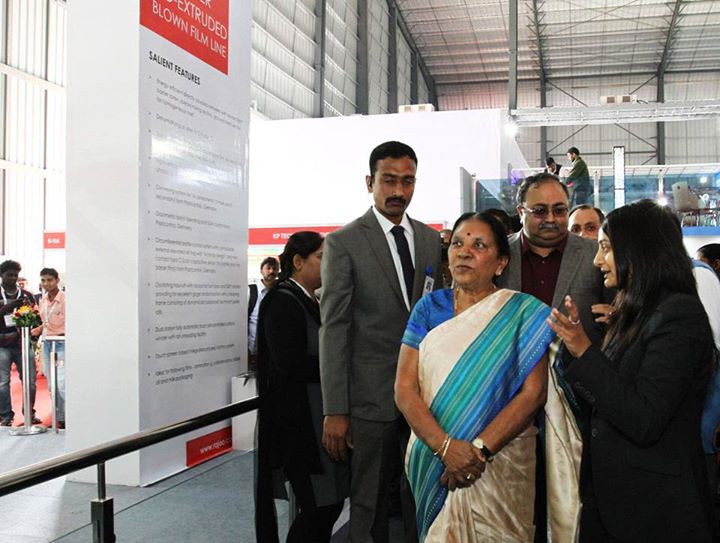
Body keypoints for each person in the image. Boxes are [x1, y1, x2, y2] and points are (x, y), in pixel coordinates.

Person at [549, 199, 716, 542]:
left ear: (638, 252)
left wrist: (584, 350)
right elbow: (604, 402)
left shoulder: (679, 316)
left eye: (607, 249)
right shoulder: (635, 313)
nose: (598, 262)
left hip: (656, 511)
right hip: (616, 505)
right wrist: (576, 351)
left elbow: (643, 418)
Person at [395, 211, 555, 541]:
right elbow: (404, 388)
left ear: (501, 263)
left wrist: (477, 451)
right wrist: (445, 448)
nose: (464, 252)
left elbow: (534, 394)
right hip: (434, 456)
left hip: (501, 464)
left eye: (478, 245)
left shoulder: (524, 313)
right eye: (457, 243)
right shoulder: (428, 308)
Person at [320, 141, 442, 543]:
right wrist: (335, 408)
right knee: (368, 503)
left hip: (424, 397)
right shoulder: (345, 242)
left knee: (420, 496)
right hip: (370, 401)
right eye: (389, 180)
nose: (398, 191)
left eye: (407, 182)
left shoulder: (429, 240)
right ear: (370, 182)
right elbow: (334, 328)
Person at [255, 232, 348, 543]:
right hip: (300, 425)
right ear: (298, 261)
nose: (328, 265)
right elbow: (290, 364)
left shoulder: (309, 299)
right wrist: (337, 365)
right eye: (321, 257)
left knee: (328, 506)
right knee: (320, 506)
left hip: (316, 417)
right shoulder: (282, 300)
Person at [0, 260, 39, 426]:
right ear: (2, 275)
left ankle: (29, 413)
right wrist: (6, 309)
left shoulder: (26, 295)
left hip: (22, 343)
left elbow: (36, 317)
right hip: (2, 345)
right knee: (3, 382)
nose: (13, 278)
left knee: (30, 380)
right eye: (9, 275)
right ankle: (6, 416)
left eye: (15, 275)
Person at [31, 268, 66, 429]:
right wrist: (37, 330)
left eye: (50, 280)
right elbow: (45, 322)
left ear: (57, 280)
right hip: (46, 344)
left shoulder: (65, 299)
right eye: (43, 280)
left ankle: (72, 415)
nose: (46, 283)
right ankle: (61, 417)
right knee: (52, 384)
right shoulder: (43, 300)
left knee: (62, 383)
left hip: (62, 343)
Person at [248, 256, 279, 372]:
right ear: (261, 270)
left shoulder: (280, 292)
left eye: (275, 269)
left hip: (273, 353)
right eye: (268, 268)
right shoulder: (251, 292)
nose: (271, 271)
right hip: (253, 353)